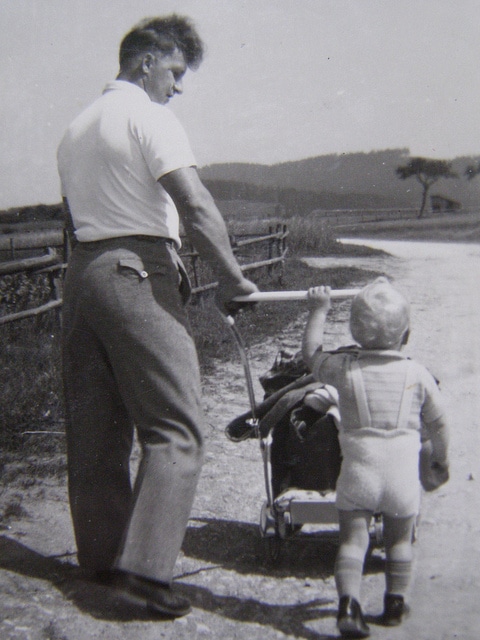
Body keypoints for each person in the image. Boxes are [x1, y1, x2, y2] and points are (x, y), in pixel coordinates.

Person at [57, 14, 258, 618]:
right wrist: (233, 279)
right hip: (135, 269)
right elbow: (195, 205)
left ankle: (100, 560)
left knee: (96, 431)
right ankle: (144, 576)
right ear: (146, 61)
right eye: (175, 72)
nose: (178, 86)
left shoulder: (76, 128)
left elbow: (71, 221)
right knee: (177, 426)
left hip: (83, 274)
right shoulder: (150, 116)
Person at [301, 277, 449, 638]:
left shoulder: (344, 369)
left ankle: (349, 605)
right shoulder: (418, 374)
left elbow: (311, 355)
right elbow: (439, 422)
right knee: (399, 541)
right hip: (400, 480)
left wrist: (319, 310)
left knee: (352, 542)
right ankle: (394, 603)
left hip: (358, 475)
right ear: (407, 335)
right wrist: (439, 460)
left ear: (354, 334)